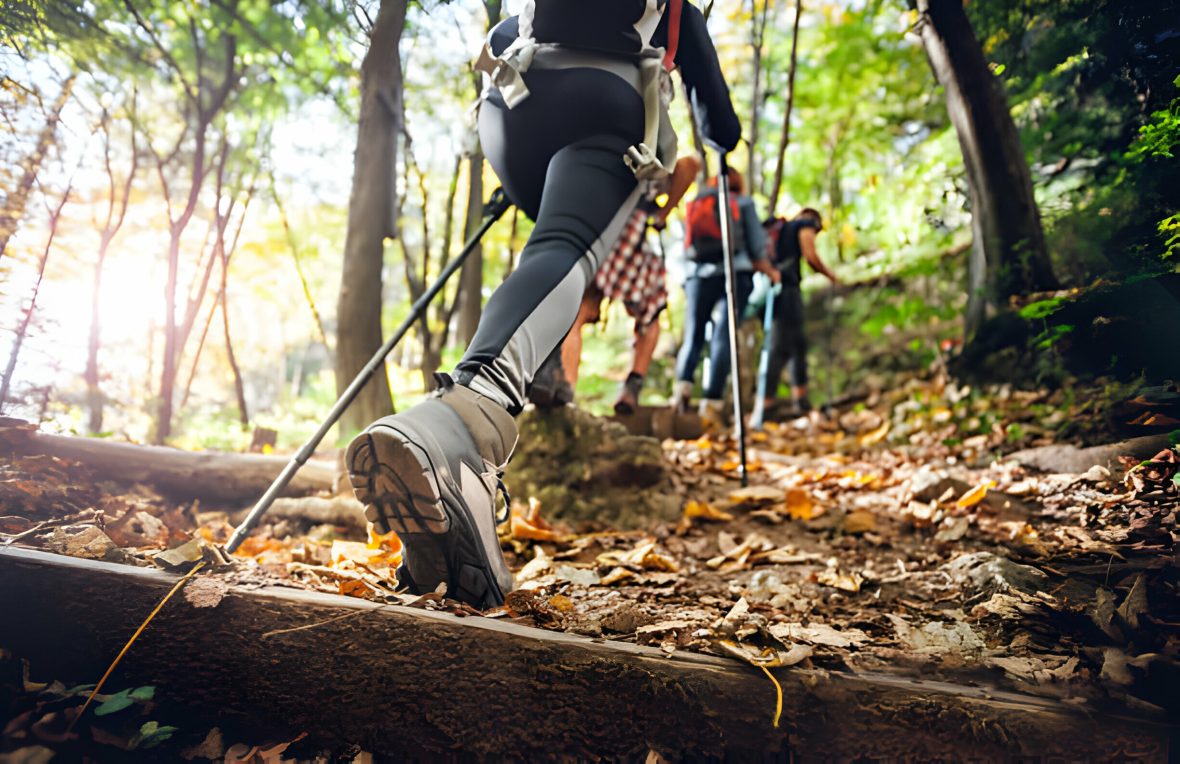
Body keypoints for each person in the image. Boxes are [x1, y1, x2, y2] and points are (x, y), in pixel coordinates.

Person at [345, 0, 741, 609]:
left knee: (548, 243)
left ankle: (524, 400)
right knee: (565, 248)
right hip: (599, 102)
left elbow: (504, 31)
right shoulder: (676, 11)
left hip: (509, 104)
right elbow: (721, 130)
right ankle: (466, 426)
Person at [531, 154, 702, 415]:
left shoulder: (596, 154)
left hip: (594, 229)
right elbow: (692, 164)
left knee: (576, 313)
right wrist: (662, 213)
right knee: (649, 314)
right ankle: (629, 386)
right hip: (630, 235)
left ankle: (563, 387)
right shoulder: (648, 150)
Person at [671, 169, 779, 419]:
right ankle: (712, 402)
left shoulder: (698, 202)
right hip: (734, 272)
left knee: (694, 334)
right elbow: (756, 246)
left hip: (697, 275)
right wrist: (771, 272)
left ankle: (681, 390)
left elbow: (686, 246)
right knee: (723, 334)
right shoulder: (743, 202)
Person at [762, 207, 839, 416]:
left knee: (795, 344)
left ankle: (799, 399)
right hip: (786, 290)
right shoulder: (805, 225)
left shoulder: (780, 229)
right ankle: (766, 404)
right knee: (780, 346)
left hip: (771, 290)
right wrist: (830, 275)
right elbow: (810, 255)